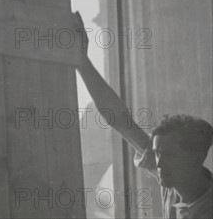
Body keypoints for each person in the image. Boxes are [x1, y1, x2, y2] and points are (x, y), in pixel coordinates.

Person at [73, 12, 213, 218]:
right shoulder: (175, 179)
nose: (158, 164)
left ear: (197, 157)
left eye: (170, 155)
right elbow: (121, 121)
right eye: (157, 153)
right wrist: (82, 63)